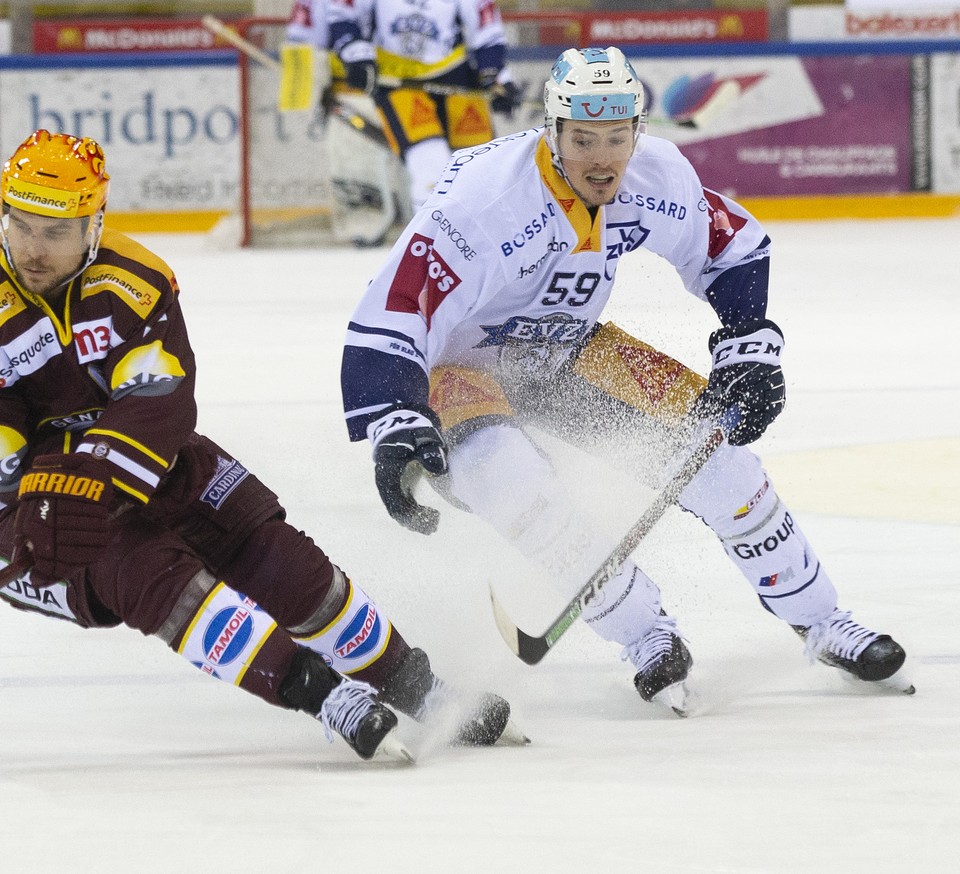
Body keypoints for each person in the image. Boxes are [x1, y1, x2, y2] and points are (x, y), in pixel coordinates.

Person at [0, 129, 519, 760]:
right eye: (21, 225)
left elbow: (159, 404)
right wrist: (75, 483)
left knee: (267, 548)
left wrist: (100, 468)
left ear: (94, 226)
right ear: (0, 215)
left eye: (55, 232)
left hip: (121, 453)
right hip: (6, 509)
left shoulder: (138, 283)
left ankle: (416, 686)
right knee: (147, 572)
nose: (33, 249)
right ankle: (322, 696)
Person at [340, 47, 912, 714]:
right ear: (552, 131)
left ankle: (824, 622)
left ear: (638, 130)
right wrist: (395, 421)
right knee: (518, 488)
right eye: (583, 140)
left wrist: (748, 347)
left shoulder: (655, 174)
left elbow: (730, 249)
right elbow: (391, 316)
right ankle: (645, 635)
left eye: (617, 137)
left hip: (565, 350)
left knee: (723, 464)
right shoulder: (483, 205)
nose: (602, 158)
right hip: (455, 370)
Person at [327, 0, 520, 213]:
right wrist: (356, 53)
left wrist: (497, 76)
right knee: (430, 164)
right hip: (397, 79)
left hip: (454, 74)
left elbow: (486, 28)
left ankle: (485, 240)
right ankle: (433, 241)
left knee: (483, 166)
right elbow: (343, 13)